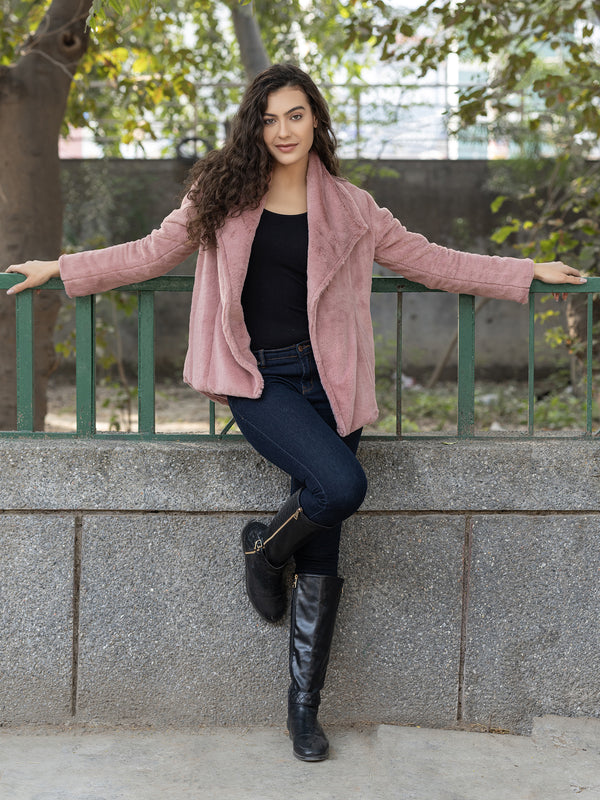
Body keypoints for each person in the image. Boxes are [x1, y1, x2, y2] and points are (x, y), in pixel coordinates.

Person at [5, 63, 585, 762]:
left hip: (333, 384)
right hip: (260, 381)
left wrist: (525, 272)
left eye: (296, 116)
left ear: (317, 122)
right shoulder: (222, 196)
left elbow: (434, 263)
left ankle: (302, 713)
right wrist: (64, 269)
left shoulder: (353, 208)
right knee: (341, 488)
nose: (283, 130)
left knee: (325, 540)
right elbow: (152, 253)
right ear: (255, 125)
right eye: (270, 117)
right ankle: (260, 548)